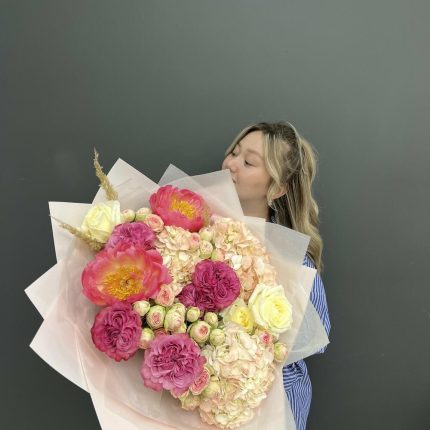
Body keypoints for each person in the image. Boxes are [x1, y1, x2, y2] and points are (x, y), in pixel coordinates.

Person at [221, 121, 331, 430]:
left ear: (278, 188)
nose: (231, 165)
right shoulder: (190, 234)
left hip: (268, 405)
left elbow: (316, 338)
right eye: (234, 152)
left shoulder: (292, 260)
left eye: (248, 162)